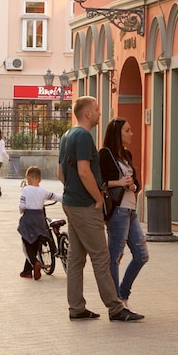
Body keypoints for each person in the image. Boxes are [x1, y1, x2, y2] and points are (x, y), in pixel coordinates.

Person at [58, 96, 143, 322]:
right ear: (87, 113)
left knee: (76, 259)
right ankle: (115, 307)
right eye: (96, 109)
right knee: (101, 257)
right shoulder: (84, 136)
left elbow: (61, 173)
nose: (99, 113)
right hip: (85, 205)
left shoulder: (67, 135)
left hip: (71, 202)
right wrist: (97, 198)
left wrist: (73, 191)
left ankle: (76, 307)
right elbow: (84, 171)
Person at [101, 117, 147, 304]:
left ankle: (122, 295)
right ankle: (116, 304)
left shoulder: (126, 155)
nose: (131, 134)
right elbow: (99, 182)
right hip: (118, 211)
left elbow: (136, 183)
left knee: (142, 255)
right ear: (117, 133)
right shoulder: (105, 154)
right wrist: (120, 182)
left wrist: (133, 186)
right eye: (127, 130)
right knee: (115, 257)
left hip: (131, 210)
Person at [17, 166, 62, 279]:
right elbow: (56, 196)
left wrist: (22, 211)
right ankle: (27, 271)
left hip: (29, 218)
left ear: (27, 178)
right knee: (35, 243)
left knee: (26, 244)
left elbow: (22, 206)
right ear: (40, 179)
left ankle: (35, 263)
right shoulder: (43, 191)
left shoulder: (26, 190)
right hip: (40, 219)